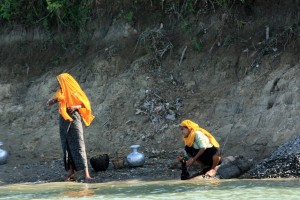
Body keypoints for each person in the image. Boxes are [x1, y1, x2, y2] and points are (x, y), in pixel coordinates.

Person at [47, 73, 95, 181]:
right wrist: (51, 101)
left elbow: (85, 103)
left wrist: (75, 106)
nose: (59, 84)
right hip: (63, 119)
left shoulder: (74, 91)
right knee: (67, 144)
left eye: (60, 82)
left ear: (65, 82)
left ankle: (86, 174)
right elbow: (52, 100)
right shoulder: (60, 92)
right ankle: (71, 172)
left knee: (79, 144)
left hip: (74, 118)